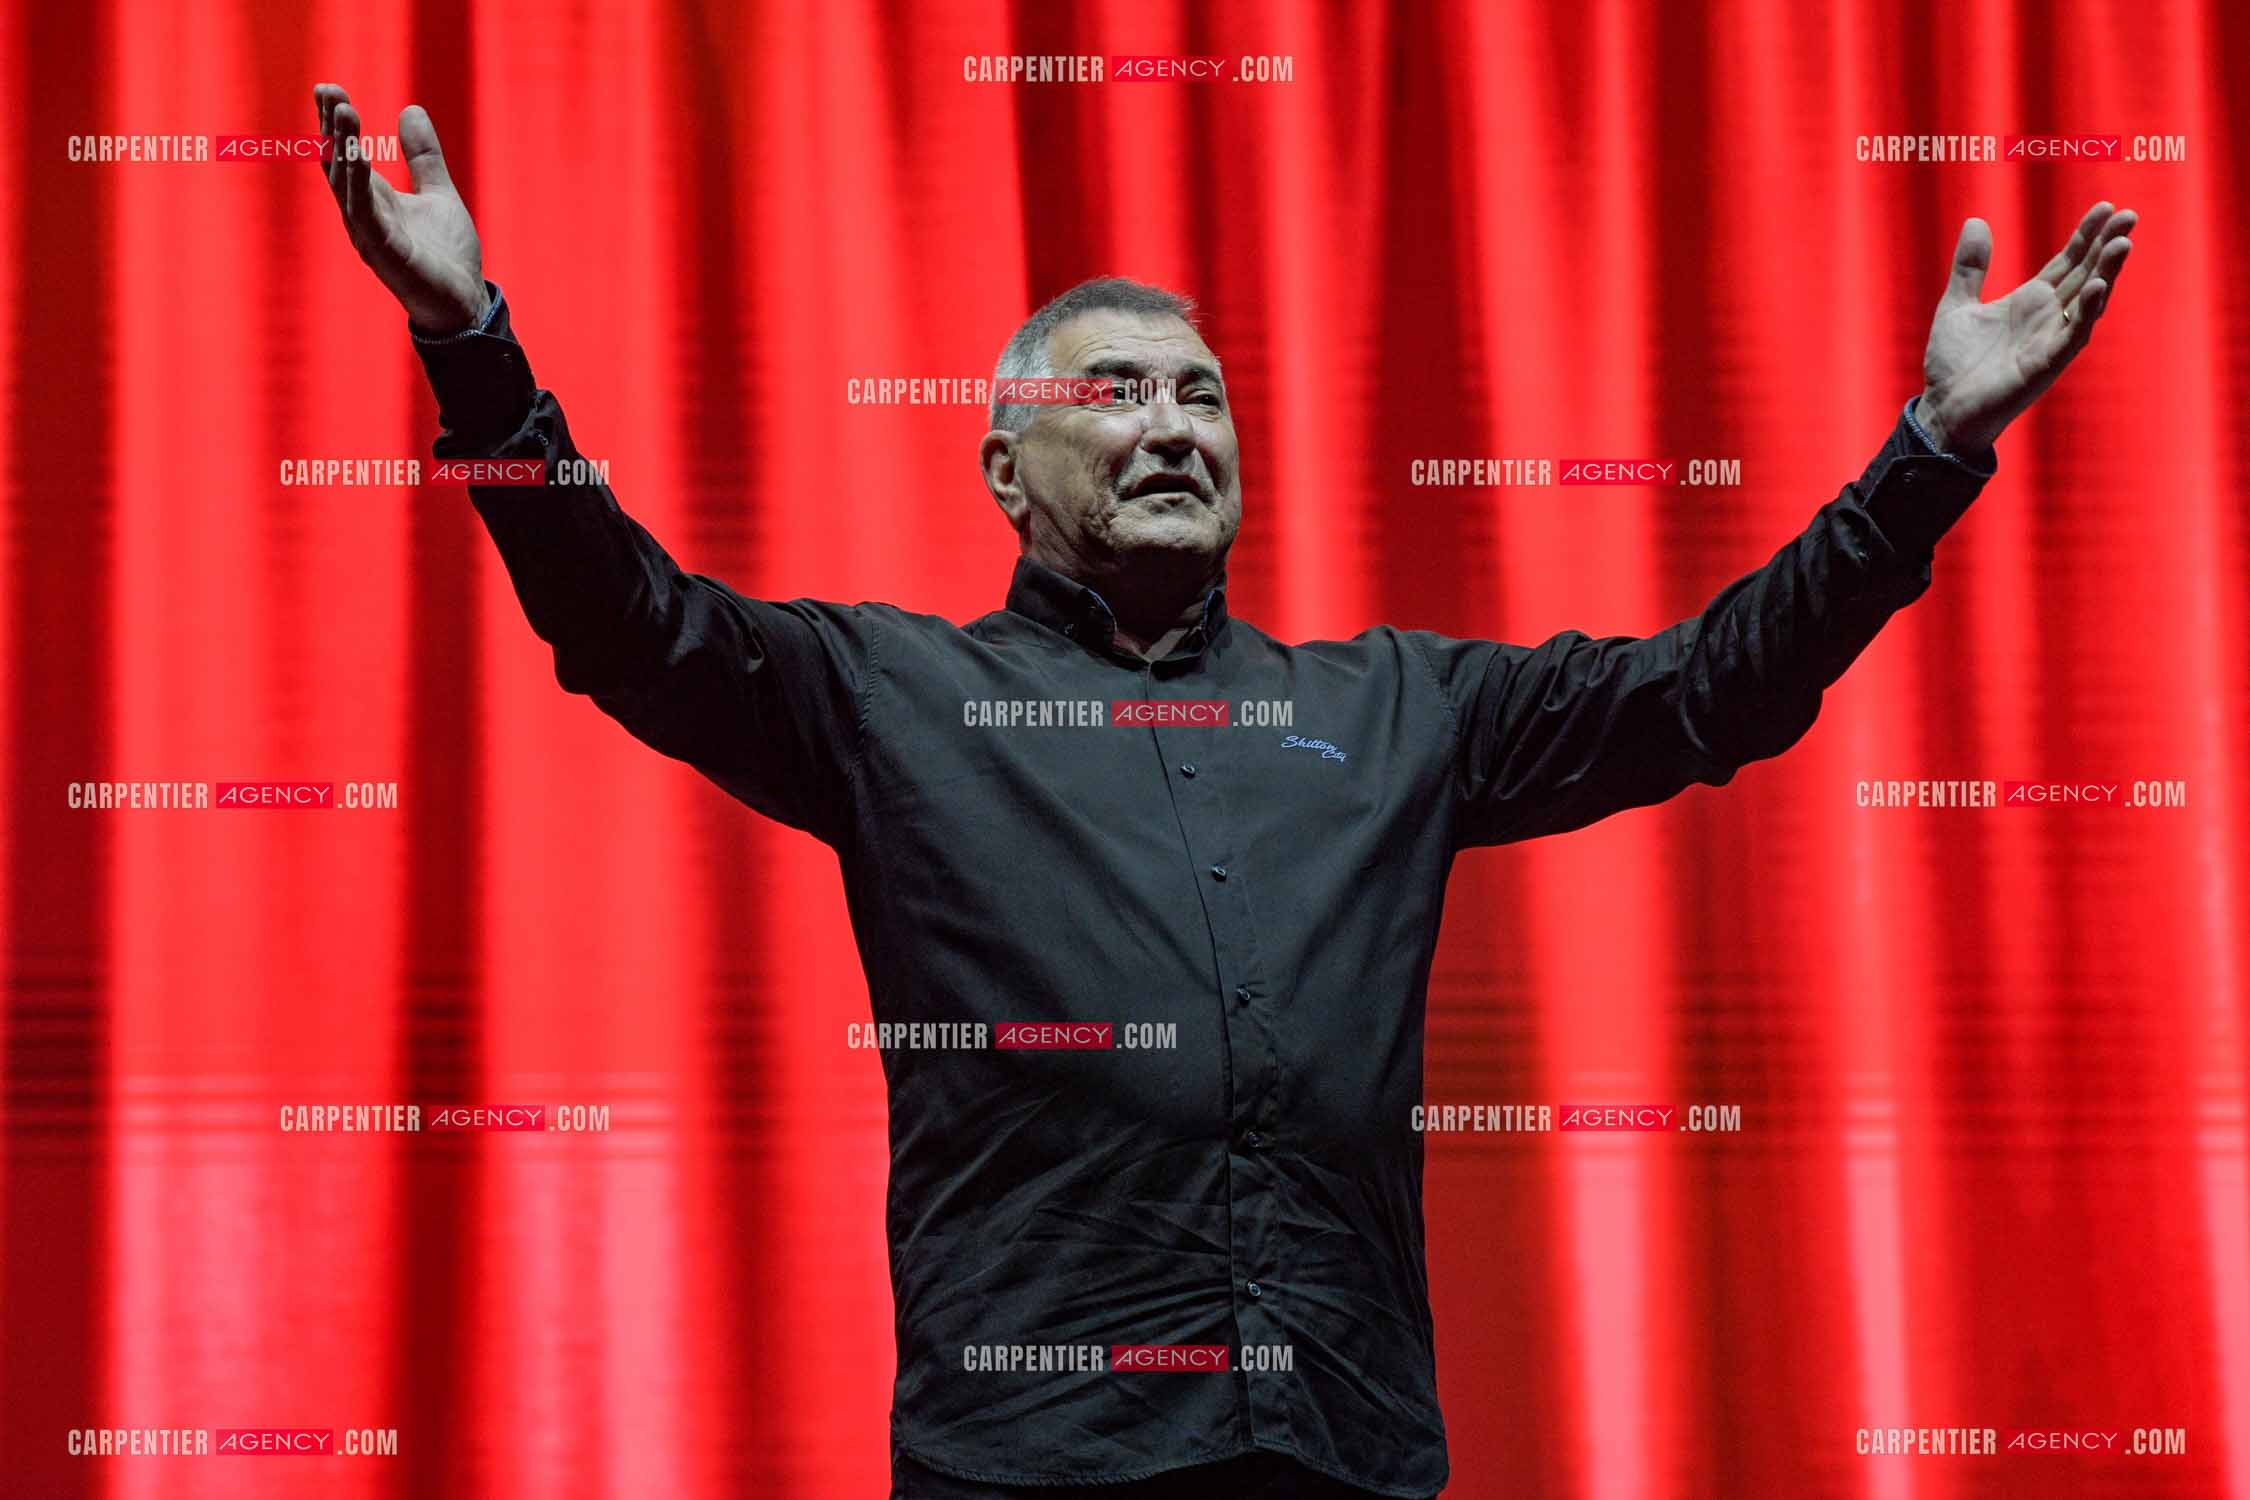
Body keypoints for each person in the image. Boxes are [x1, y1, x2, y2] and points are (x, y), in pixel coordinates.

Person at [311, 84, 2135, 1500]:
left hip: (1342, 1442)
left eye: (1201, 393)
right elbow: (624, 622)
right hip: (1033, 1456)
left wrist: (1931, 450)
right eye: (1115, 394)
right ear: (1007, 470)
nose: (1175, 425)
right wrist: (470, 340)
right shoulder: (887, 697)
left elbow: (1708, 693)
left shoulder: (1398, 708)